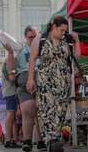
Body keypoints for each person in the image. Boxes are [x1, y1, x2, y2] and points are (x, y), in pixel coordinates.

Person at [27, 16, 80, 152]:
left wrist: (77, 41)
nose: (63, 33)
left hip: (63, 83)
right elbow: (32, 60)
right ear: (53, 27)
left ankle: (55, 139)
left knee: (61, 111)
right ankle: (51, 141)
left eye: (65, 31)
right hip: (45, 82)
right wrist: (30, 79)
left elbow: (77, 58)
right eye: (61, 30)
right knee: (46, 111)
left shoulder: (66, 41)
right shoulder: (40, 39)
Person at [12, 26, 45, 152]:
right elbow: (11, 67)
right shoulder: (20, 49)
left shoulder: (43, 47)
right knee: (28, 112)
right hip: (24, 80)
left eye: (35, 37)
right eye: (30, 37)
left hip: (40, 80)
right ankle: (27, 141)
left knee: (40, 113)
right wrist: (10, 53)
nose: (33, 39)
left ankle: (41, 141)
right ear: (26, 37)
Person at [2, 45, 20, 148]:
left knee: (12, 117)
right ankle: (8, 139)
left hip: (9, 91)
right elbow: (11, 78)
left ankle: (12, 139)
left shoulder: (8, 61)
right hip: (11, 91)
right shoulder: (9, 61)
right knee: (10, 114)